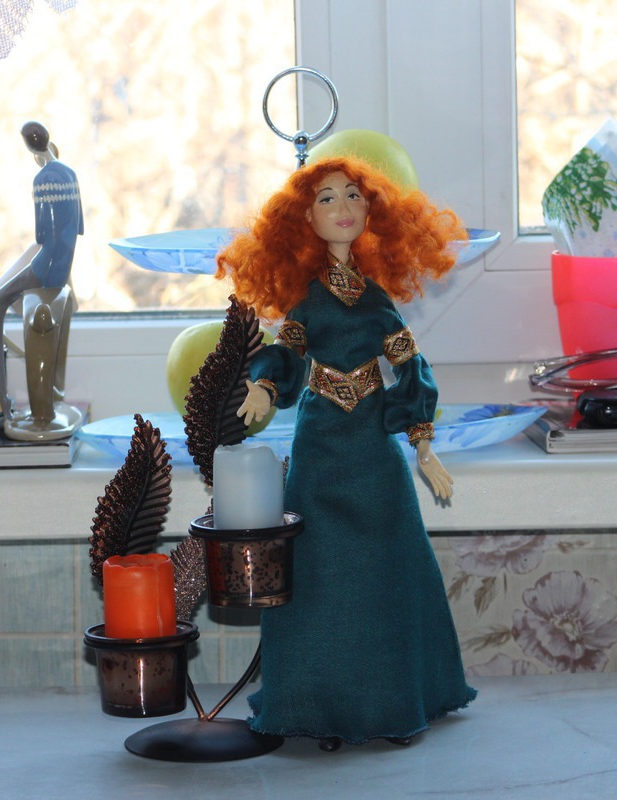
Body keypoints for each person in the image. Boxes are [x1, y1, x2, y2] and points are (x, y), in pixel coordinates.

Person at [216, 155, 476, 750]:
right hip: (320, 444)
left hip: (373, 447)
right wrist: (264, 386)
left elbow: (410, 368)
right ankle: (317, 706)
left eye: (354, 195)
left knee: (387, 568)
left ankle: (395, 700)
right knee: (317, 570)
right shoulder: (309, 302)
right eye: (327, 198)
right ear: (305, 219)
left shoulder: (378, 301)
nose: (343, 208)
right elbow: (287, 352)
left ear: (372, 211)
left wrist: (423, 445)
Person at [0, 121, 84, 440]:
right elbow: (76, 229)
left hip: (46, 267)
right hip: (62, 265)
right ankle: (36, 379)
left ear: (30, 147)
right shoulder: (70, 174)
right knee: (13, 303)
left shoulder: (42, 179)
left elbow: (42, 235)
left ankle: (4, 403)